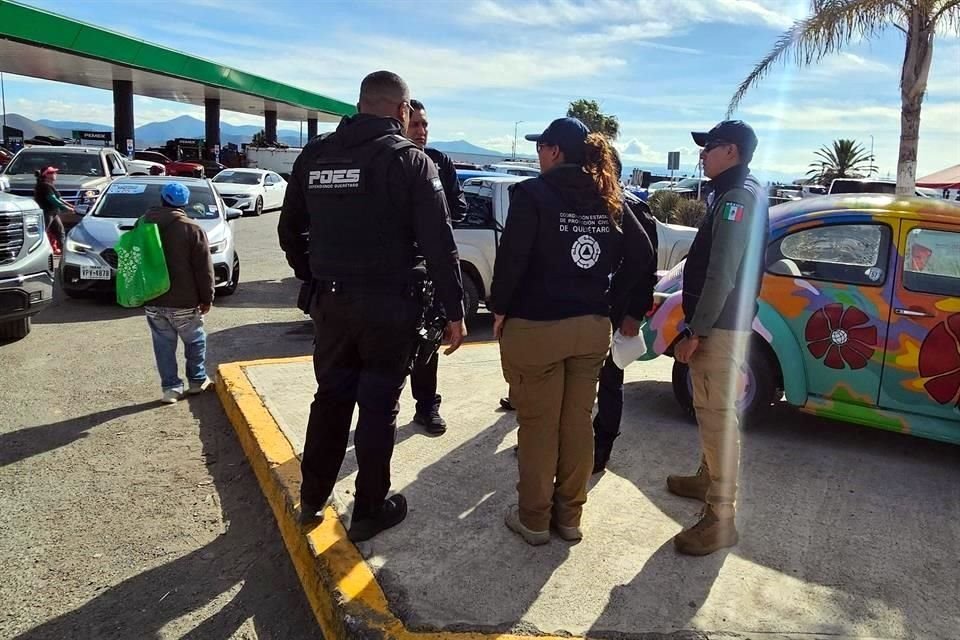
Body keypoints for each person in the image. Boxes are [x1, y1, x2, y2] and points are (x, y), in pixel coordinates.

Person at [278, 70, 467, 543]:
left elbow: (289, 230)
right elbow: (440, 245)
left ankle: (312, 499)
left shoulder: (316, 154)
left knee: (330, 399)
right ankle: (367, 510)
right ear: (402, 111)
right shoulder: (410, 161)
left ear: (361, 104)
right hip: (389, 306)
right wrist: (455, 311)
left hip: (332, 303)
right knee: (379, 407)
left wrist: (315, 274)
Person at [491, 117, 654, 546]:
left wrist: (500, 309)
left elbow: (512, 259)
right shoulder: (608, 196)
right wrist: (620, 305)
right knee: (578, 422)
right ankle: (569, 518)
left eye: (541, 146)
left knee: (539, 425)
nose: (538, 154)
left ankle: (533, 518)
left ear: (555, 151)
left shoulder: (531, 194)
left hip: (537, 325)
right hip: (591, 326)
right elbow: (644, 253)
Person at [668, 120, 768, 556]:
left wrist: (696, 330)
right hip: (722, 322)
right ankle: (708, 479)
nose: (702, 154)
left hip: (719, 327)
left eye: (708, 147)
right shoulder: (732, 192)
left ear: (731, 151)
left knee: (716, 416)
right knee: (711, 410)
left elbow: (722, 272)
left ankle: (721, 516)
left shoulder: (737, 198)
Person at [405, 98, 468, 435]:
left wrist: (434, 224)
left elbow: (458, 207)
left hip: (431, 272)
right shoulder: (393, 162)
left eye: (425, 124)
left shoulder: (440, 162)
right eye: (415, 124)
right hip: (398, 273)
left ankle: (427, 406)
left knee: (427, 344)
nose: (422, 131)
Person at [592, 157, 659, 474]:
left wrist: (634, 314)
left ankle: (601, 447)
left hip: (617, 313)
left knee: (609, 380)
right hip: (591, 310)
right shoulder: (594, 203)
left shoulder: (634, 209)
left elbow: (647, 268)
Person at [142, 182, 215, 404]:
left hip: (153, 298)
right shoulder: (191, 228)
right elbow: (204, 269)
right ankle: (196, 382)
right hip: (184, 301)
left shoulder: (143, 224)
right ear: (185, 203)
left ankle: (171, 389)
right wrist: (207, 297)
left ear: (162, 199)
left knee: (163, 344)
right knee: (194, 340)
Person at [33, 166, 74, 254]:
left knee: (60, 232)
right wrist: (66, 208)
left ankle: (65, 252)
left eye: (54, 172)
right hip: (47, 212)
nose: (55, 174)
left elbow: (58, 198)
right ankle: (36, 252)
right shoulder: (44, 186)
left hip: (53, 212)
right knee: (42, 233)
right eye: (52, 173)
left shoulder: (49, 185)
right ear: (46, 175)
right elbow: (52, 199)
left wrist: (70, 205)